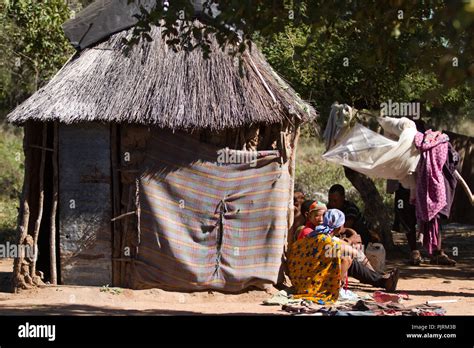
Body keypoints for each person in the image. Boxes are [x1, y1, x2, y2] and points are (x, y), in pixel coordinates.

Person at [288, 209, 359, 304]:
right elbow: (354, 253)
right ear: (339, 226)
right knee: (346, 259)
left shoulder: (313, 236)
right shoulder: (328, 242)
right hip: (313, 286)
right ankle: (337, 289)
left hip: (299, 283)